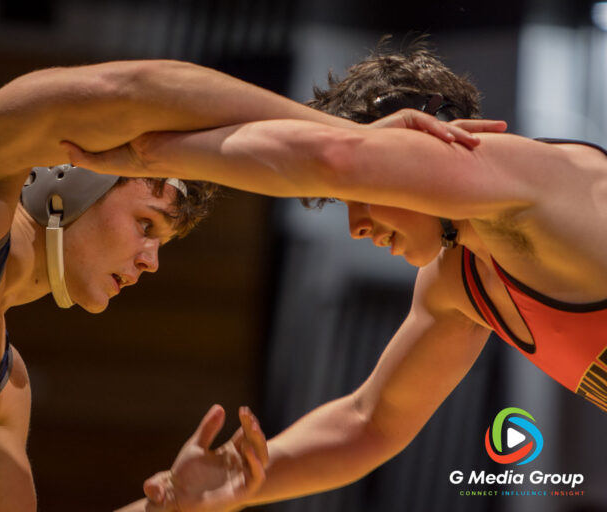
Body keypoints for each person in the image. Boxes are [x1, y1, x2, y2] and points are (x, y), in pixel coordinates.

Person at [0, 57, 491, 511]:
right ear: (70, 175)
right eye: (147, 223)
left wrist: (172, 510)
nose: (151, 261)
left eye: (163, 243)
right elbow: (136, 89)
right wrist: (352, 147)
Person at [63, 42, 607, 510]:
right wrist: (242, 481)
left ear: (429, 144)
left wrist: (146, 154)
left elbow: (336, 158)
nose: (356, 226)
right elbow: (368, 422)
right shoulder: (458, 281)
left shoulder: (529, 174)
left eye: (362, 199)